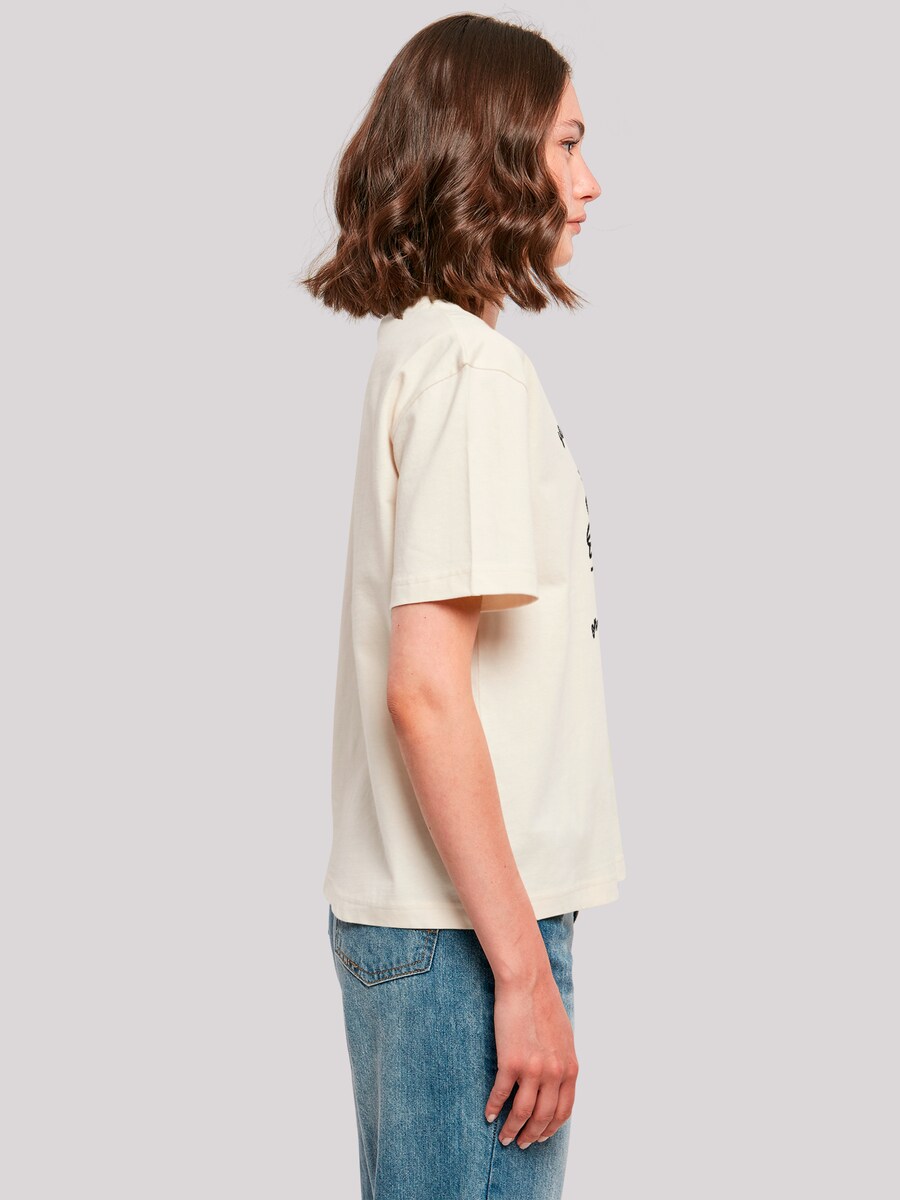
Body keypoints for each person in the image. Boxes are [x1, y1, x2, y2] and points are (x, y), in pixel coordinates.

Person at [298, 13, 627, 1199]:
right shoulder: (474, 375)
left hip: (433, 927)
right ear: (493, 153)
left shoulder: (420, 353)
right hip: (469, 941)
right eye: (567, 144)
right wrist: (523, 974)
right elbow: (426, 693)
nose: (589, 183)